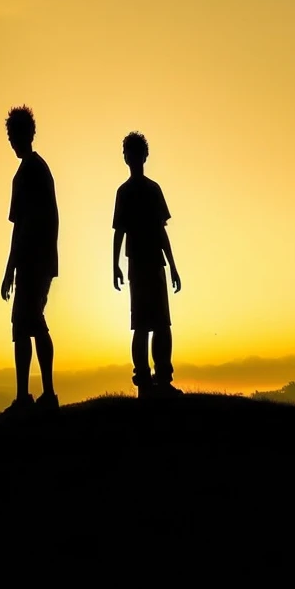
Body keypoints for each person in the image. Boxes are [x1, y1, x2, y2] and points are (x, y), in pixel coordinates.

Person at [112, 131, 183, 398]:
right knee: (142, 325)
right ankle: (144, 382)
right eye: (129, 152)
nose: (132, 157)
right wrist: (115, 265)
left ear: (143, 156)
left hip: (154, 263)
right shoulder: (125, 192)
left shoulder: (153, 190)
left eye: (135, 152)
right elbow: (118, 230)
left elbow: (162, 231)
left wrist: (173, 266)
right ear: (126, 157)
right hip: (139, 265)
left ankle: (162, 380)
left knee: (161, 324)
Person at [1, 105, 59, 413]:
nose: (12, 141)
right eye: (10, 136)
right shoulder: (27, 172)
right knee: (24, 326)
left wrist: (12, 267)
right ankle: (27, 396)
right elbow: (18, 226)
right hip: (33, 260)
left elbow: (28, 225)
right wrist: (10, 269)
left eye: (15, 135)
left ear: (28, 134)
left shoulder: (33, 171)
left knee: (31, 323)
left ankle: (44, 396)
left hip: (35, 260)